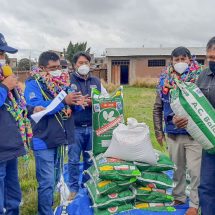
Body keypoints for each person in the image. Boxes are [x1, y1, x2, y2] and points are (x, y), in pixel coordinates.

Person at [24, 51, 83, 215]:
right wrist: (64, 100)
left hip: (59, 137)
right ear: (42, 68)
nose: (58, 70)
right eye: (53, 68)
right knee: (47, 182)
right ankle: (44, 212)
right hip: (43, 139)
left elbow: (69, 106)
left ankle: (49, 207)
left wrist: (77, 103)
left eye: (59, 66)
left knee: (56, 179)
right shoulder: (32, 85)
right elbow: (38, 108)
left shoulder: (61, 82)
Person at [153, 47, 203, 215]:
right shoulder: (164, 80)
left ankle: (194, 204)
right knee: (177, 168)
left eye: (184, 59)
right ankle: (179, 197)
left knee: (196, 171)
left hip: (195, 134)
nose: (180, 62)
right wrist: (159, 131)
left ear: (190, 60)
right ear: (172, 61)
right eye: (177, 59)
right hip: (173, 133)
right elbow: (157, 107)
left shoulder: (199, 78)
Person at [0, 33, 43, 215]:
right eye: (1, 53)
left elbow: (14, 108)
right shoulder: (4, 84)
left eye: (3, 54)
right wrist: (4, 88)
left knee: (13, 196)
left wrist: (32, 110)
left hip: (9, 146)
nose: (3, 58)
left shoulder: (4, 78)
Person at [174, 37, 215, 215]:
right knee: (206, 187)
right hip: (210, 145)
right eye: (210, 58)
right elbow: (193, 108)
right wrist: (180, 119)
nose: (212, 61)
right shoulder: (203, 76)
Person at [67, 51, 108, 200]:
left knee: (90, 159)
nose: (83, 66)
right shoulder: (67, 80)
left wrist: (93, 102)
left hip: (92, 126)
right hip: (74, 127)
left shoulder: (96, 81)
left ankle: (87, 185)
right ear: (74, 65)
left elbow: (105, 99)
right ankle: (73, 189)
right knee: (72, 160)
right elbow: (63, 101)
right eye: (80, 63)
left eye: (86, 63)